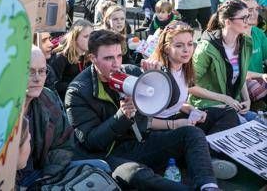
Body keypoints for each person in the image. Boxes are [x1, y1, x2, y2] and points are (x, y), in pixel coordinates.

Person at [65, 29, 220, 191]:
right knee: (136, 174)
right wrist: (122, 116)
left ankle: (208, 185)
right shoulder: (78, 92)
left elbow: (167, 102)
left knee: (192, 133)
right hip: (108, 155)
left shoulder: (130, 72)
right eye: (108, 58)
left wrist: (159, 74)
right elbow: (91, 142)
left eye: (119, 56)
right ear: (92, 58)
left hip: (139, 143)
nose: (116, 64)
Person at [145, 20, 239, 136]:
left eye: (190, 44)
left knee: (228, 112)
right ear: (166, 48)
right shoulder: (158, 72)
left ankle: (210, 147)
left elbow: (174, 106)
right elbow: (143, 121)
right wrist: (174, 124)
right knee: (194, 134)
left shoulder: (184, 68)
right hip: (161, 130)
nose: (186, 50)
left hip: (178, 120)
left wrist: (193, 110)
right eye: (179, 45)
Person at [16, 46, 74, 188]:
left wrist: (49, 177)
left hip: (42, 174)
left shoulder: (47, 97)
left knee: (100, 167)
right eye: (30, 72)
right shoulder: (1, 109)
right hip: (12, 182)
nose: (37, 78)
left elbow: (63, 142)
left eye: (42, 71)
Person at [189, 0, 254, 123]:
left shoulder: (246, 42)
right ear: (228, 22)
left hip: (232, 105)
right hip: (208, 106)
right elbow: (189, 86)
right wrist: (224, 98)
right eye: (243, 18)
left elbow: (240, 75)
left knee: (260, 124)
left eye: (248, 16)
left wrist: (247, 100)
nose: (248, 21)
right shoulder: (207, 47)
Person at [50, 19, 93, 102]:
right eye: (86, 36)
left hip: (79, 99)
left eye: (91, 36)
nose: (90, 40)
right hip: (63, 102)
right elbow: (53, 85)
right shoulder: (61, 57)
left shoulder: (87, 56)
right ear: (75, 37)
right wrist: (76, 84)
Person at [239, 0, 267, 109]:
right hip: (242, 83)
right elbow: (236, 73)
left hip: (261, 79)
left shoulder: (258, 33)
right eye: (250, 10)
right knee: (258, 89)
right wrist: (262, 75)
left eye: (256, 9)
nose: (255, 13)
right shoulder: (235, 37)